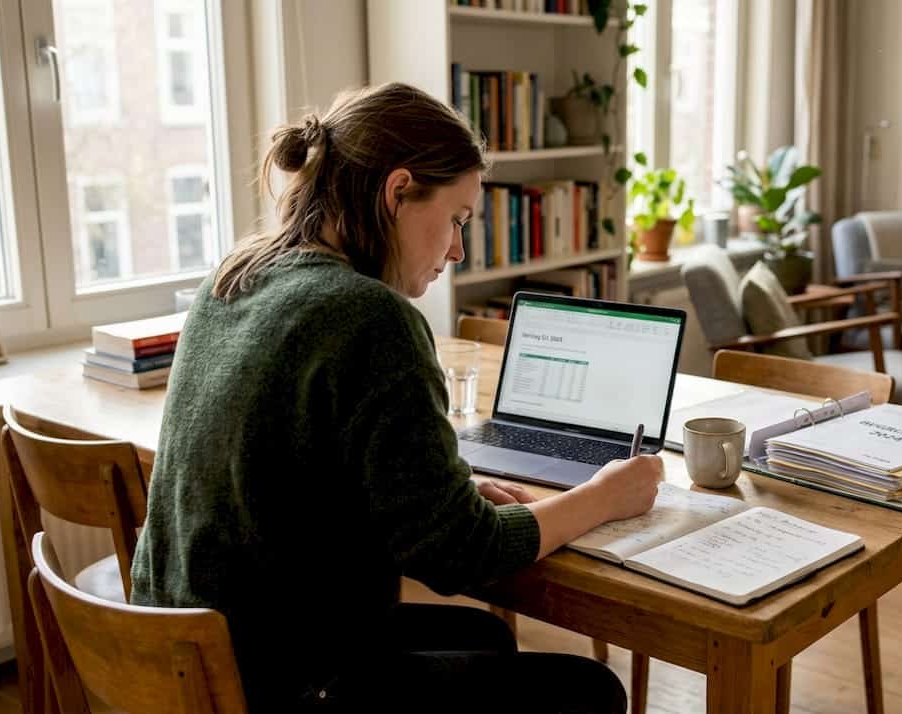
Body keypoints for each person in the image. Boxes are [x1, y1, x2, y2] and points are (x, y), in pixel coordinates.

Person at [130, 82, 662, 713]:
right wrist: (605, 496)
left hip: (179, 652)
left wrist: (443, 493)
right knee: (590, 689)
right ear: (398, 191)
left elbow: (306, 476)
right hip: (284, 682)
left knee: (486, 635)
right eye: (458, 219)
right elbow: (464, 555)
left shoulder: (235, 276)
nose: (459, 250)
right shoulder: (369, 317)